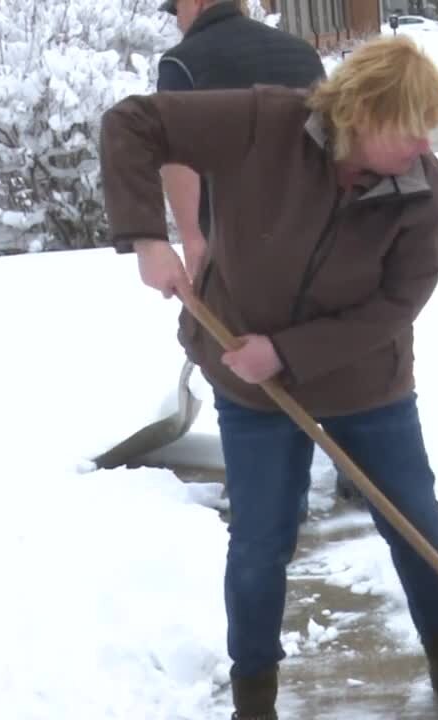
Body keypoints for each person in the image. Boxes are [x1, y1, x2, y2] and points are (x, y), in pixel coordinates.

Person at [98, 35, 438, 720]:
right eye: (409, 127)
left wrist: (287, 351)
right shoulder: (267, 123)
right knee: (261, 541)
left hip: (366, 383)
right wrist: (147, 236)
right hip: (247, 386)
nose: (423, 146)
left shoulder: (422, 190)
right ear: (363, 113)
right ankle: (254, 696)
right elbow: (133, 123)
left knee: (418, 527)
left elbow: (397, 304)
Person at [155, 0, 367, 510]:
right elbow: (329, 137)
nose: (173, 19)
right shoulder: (299, 54)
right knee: (319, 353)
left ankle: (276, 491)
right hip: (313, 233)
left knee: (247, 361)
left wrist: (192, 237)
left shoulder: (182, 64)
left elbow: (176, 153)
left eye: (174, 9)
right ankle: (356, 469)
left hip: (238, 245)